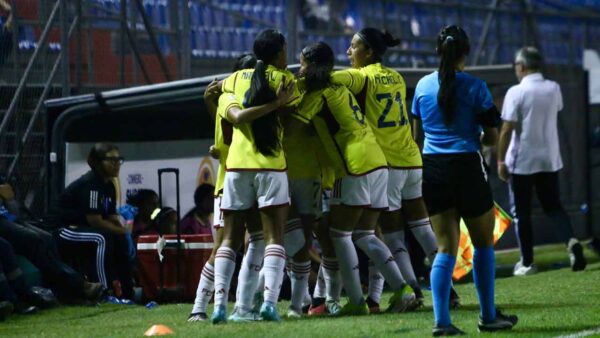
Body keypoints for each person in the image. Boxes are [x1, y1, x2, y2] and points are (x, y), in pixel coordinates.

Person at [292, 41, 416, 316]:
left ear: (312, 67)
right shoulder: (341, 87)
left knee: (339, 234)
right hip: (377, 161)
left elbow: (293, 124)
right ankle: (404, 290)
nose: (299, 70)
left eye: (302, 64)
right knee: (363, 233)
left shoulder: (319, 93)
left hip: (352, 165)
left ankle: (358, 301)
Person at [411, 25, 517, 335]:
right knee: (483, 244)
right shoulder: (475, 87)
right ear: (465, 54)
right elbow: (492, 135)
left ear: (437, 51)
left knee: (445, 249)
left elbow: (418, 137)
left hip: (433, 168)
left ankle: (441, 322)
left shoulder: (421, 86)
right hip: (467, 166)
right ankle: (488, 316)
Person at [333, 27, 445, 310]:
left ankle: (414, 294)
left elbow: (333, 78)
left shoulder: (361, 77)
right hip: (412, 158)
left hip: (388, 163)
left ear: (369, 51)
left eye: (353, 46)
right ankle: (449, 290)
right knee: (422, 229)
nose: (348, 52)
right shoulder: (395, 76)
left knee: (393, 235)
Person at [210, 29, 299, 323]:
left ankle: (221, 306)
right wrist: (276, 105)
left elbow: (232, 114)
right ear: (278, 53)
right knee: (274, 238)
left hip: (236, 167)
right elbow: (290, 120)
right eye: (285, 50)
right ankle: (269, 303)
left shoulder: (234, 79)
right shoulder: (286, 81)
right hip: (272, 166)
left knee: (230, 241)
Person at [497, 46, 587, 275]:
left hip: (522, 161)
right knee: (554, 207)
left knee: (522, 213)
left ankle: (527, 263)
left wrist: (500, 161)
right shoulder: (553, 88)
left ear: (522, 66)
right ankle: (572, 242)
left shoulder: (515, 92)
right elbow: (555, 111)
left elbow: (506, 129)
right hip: (549, 159)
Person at [188, 54, 259, 323]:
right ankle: (200, 307)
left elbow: (222, 135)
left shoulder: (226, 102)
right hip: (231, 183)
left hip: (245, 180)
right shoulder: (243, 105)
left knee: (253, 244)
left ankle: (245, 303)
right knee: (223, 248)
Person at [47, 143, 135, 301]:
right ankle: (104, 292)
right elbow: (95, 221)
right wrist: (122, 231)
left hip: (82, 228)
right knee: (102, 238)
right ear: (98, 162)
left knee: (119, 239)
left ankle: (128, 293)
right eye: (111, 160)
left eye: (118, 159)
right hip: (61, 229)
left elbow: (110, 216)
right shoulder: (91, 183)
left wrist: (125, 234)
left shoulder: (108, 185)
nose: (116, 164)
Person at [0, 181, 104, 302]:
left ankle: (64, 291)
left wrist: (9, 200)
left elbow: (10, 202)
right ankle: (78, 286)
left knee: (48, 238)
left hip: (7, 217)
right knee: (33, 239)